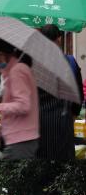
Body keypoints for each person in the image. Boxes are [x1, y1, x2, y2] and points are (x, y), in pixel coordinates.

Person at [36, 24, 83, 160]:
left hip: (39, 123)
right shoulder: (70, 62)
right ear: (59, 38)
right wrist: (73, 116)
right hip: (63, 121)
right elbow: (78, 95)